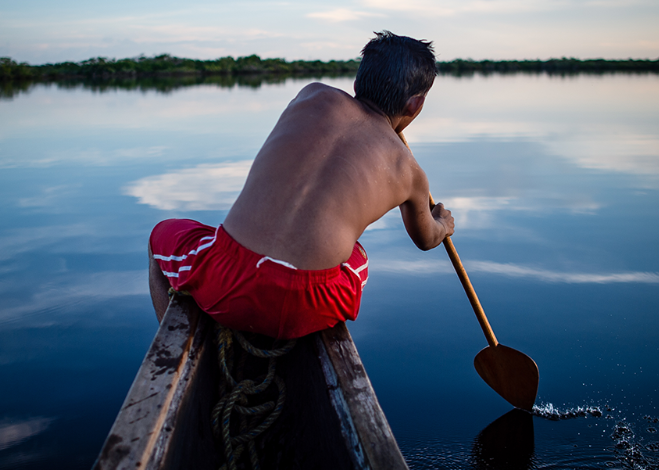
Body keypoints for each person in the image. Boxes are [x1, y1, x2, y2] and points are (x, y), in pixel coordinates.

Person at [148, 31, 454, 339]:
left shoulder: (311, 95)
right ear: (415, 105)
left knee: (159, 237)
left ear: (358, 84)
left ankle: (175, 346)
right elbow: (426, 238)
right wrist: (442, 223)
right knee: (355, 255)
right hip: (311, 305)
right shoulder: (410, 172)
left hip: (226, 282)